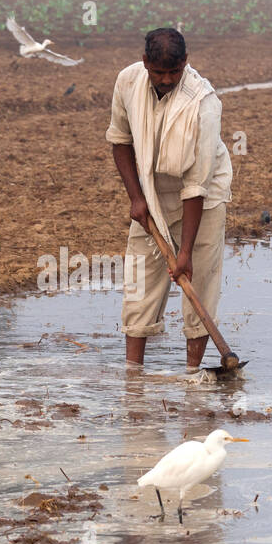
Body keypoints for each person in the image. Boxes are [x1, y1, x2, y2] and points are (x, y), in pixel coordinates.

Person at [106, 27, 232, 371]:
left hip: (203, 196)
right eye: (158, 71)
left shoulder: (204, 104)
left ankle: (193, 372)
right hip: (149, 190)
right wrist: (136, 198)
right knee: (140, 279)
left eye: (173, 72)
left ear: (185, 63)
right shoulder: (128, 81)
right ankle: (133, 375)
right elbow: (120, 141)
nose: (165, 79)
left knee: (200, 278)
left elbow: (197, 185)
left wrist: (186, 252)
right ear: (145, 62)